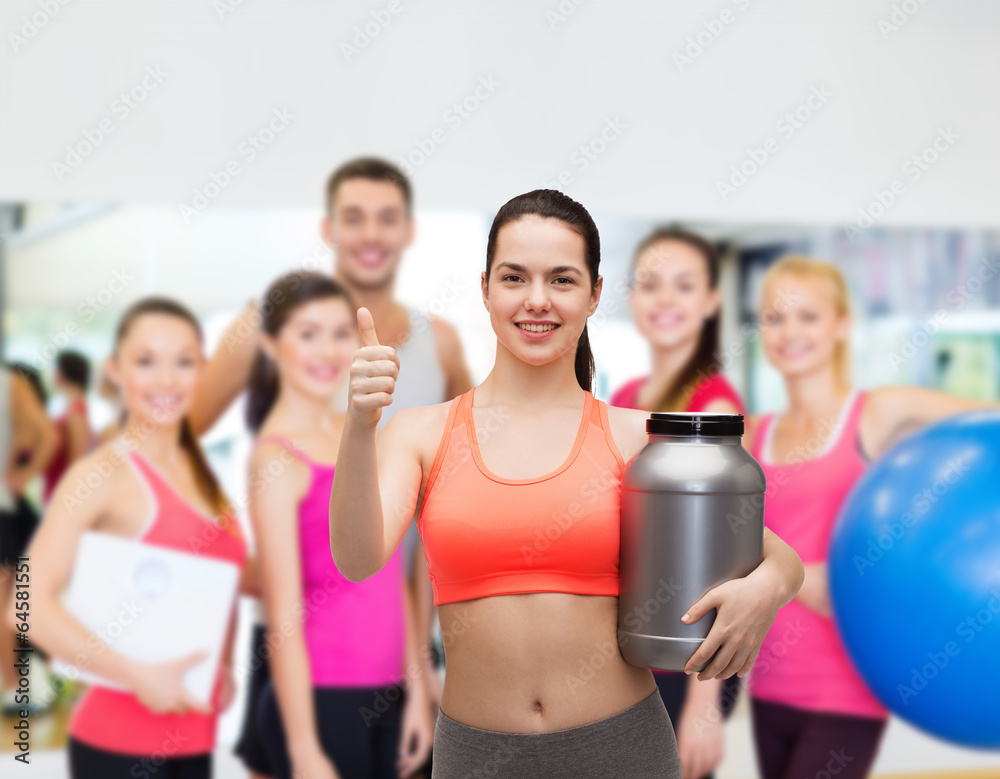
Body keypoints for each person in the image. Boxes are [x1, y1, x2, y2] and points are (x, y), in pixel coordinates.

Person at [330, 189, 805, 778]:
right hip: (478, 759)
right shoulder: (419, 433)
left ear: (594, 293)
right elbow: (355, 558)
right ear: (485, 289)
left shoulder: (638, 438)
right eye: (513, 278)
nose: (536, 300)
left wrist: (769, 589)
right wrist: (358, 425)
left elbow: (772, 552)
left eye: (561, 279)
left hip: (621, 750)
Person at [194, 158, 471, 779]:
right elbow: (174, 443)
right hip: (309, 643)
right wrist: (230, 553)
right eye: (353, 217)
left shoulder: (441, 342)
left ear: (409, 230)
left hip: (398, 629)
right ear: (328, 227)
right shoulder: (268, 322)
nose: (370, 234)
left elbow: (467, 464)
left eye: (386, 218)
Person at [745, 255, 1000, 779]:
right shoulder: (754, 434)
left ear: (841, 325)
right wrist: (791, 579)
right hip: (768, 682)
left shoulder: (879, 411)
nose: (789, 332)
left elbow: (987, 420)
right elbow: (731, 553)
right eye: (775, 317)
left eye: (808, 317)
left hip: (848, 688)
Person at [9, 297, 248, 778]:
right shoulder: (102, 474)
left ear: (202, 370)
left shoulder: (201, 472)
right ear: (115, 371)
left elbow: (213, 585)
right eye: (146, 361)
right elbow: (26, 603)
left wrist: (219, 666)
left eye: (182, 361)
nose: (165, 379)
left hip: (192, 736)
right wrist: (138, 677)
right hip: (120, 746)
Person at [246, 271, 434, 779]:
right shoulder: (275, 459)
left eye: (338, 333)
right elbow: (281, 614)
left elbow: (392, 574)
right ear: (270, 344)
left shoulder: (361, 435)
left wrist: (418, 689)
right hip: (322, 701)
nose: (327, 351)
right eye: (307, 334)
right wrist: (305, 748)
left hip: (391, 694)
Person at [610, 228, 745, 779]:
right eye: (651, 284)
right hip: (635, 655)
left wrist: (703, 706)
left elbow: (731, 559)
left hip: (689, 664)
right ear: (631, 297)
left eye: (683, 285)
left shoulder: (714, 407)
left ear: (711, 301)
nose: (665, 299)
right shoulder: (624, 399)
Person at [1, 364, 57, 714]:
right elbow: (47, 437)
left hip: (7, 508)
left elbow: (48, 438)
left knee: (12, 600)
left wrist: (20, 476)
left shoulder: (10, 382)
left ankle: (15, 686)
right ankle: (17, 685)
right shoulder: (10, 382)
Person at [43, 350, 94, 502]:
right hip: (56, 488)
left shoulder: (75, 412)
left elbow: (76, 462)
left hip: (64, 495)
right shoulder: (72, 409)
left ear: (61, 373)